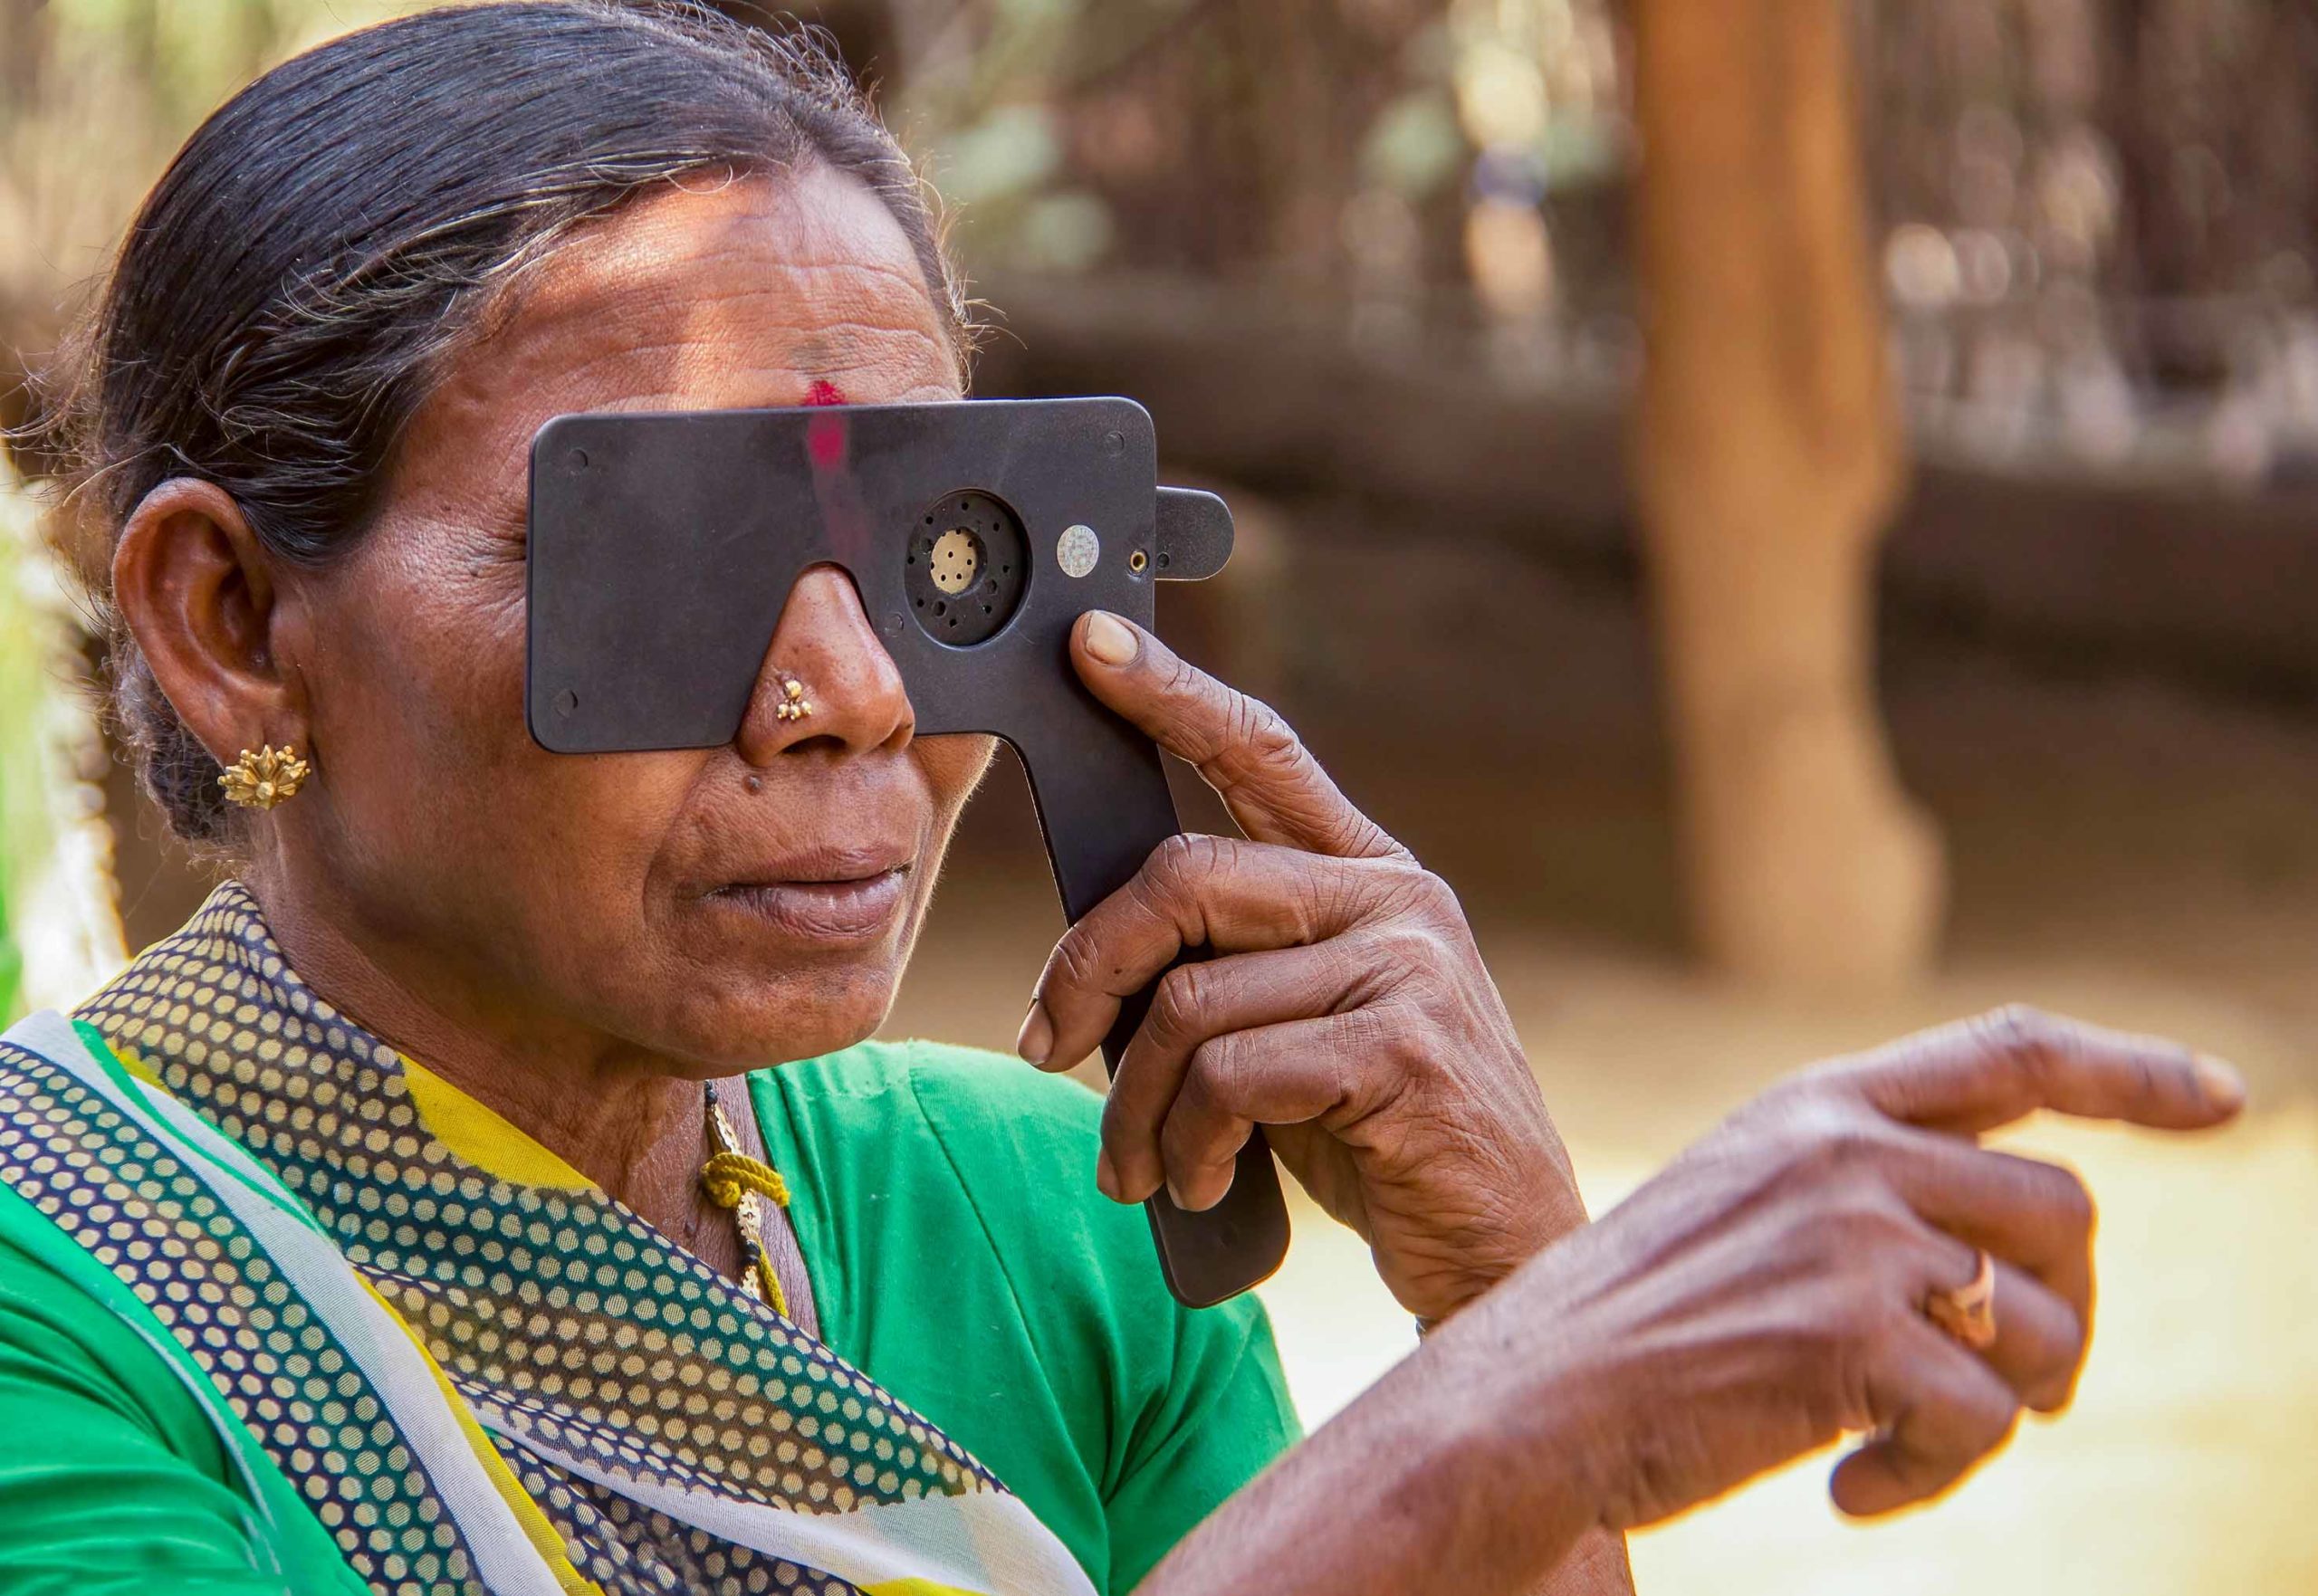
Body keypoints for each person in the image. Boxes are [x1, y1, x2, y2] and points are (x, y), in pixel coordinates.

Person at [0, 5, 2244, 1595]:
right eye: (659, 566)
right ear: (227, 618)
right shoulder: (60, 1294)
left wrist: (1499, 1282)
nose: (850, 698)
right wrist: (1507, 1421)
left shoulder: (1055, 1226)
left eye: (927, 545)